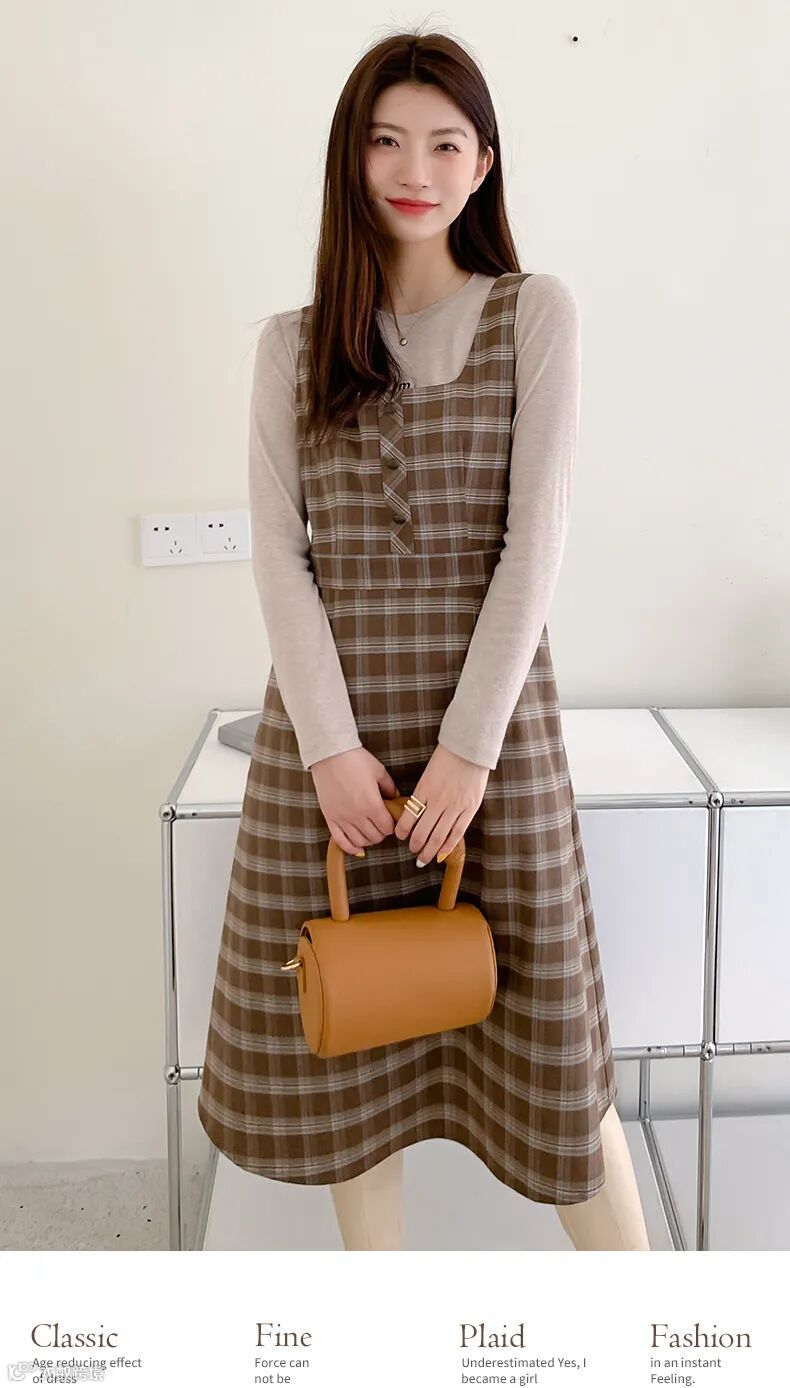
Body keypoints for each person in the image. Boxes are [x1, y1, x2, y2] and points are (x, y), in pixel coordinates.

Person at [197, 27, 650, 1252]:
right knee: (357, 1053)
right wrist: (329, 750)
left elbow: (533, 546)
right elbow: (280, 558)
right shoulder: (290, 346)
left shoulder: (533, 313)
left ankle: (656, 1329)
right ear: (350, 158)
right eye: (387, 140)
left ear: (483, 163)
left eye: (446, 143)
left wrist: (466, 754)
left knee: (556, 1065)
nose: (415, 169)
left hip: (487, 749)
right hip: (333, 754)